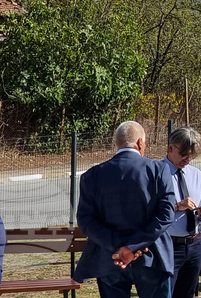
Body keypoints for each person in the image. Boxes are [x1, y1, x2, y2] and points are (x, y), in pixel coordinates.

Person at [74, 121, 176, 298]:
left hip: (109, 258)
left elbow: (85, 220)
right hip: (151, 257)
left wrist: (119, 247)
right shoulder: (158, 170)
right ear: (140, 143)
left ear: (117, 143)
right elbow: (166, 215)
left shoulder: (92, 175)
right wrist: (133, 247)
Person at [161, 127, 201, 298]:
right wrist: (176, 206)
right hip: (168, 245)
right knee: (165, 293)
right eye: (184, 154)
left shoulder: (197, 175)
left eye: (191, 155)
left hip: (195, 244)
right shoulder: (156, 173)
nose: (187, 159)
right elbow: (147, 209)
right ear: (170, 148)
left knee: (187, 294)